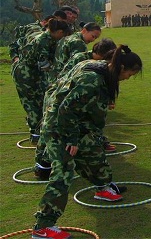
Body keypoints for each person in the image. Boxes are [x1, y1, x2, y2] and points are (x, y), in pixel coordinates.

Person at [31, 46, 142, 239]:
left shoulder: (101, 69)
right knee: (63, 172)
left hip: (78, 125)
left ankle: (103, 188)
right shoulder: (92, 79)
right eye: (129, 74)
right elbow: (67, 108)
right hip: (60, 128)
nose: (127, 78)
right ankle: (43, 226)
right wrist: (71, 138)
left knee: (93, 153)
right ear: (121, 67)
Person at [12, 19, 72, 144]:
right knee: (32, 104)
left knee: (41, 102)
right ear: (59, 32)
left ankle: (40, 131)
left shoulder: (48, 38)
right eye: (63, 34)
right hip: (25, 75)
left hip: (34, 74)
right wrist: (57, 72)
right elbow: (43, 63)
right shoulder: (43, 41)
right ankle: (35, 134)